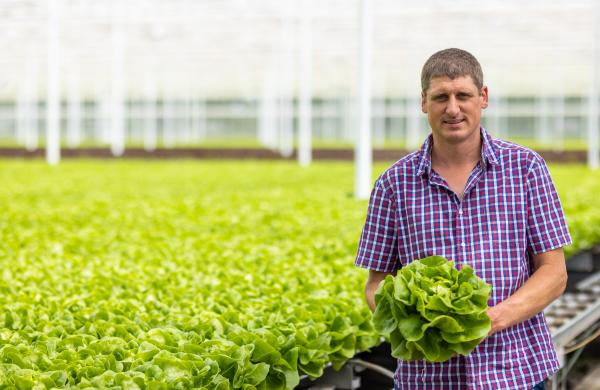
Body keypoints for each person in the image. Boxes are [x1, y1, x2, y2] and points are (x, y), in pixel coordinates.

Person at [355, 48, 571, 389]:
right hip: (427, 377)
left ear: (482, 98)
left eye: (463, 95)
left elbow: (554, 272)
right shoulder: (393, 184)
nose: (452, 108)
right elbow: (376, 282)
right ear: (424, 102)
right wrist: (416, 321)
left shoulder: (526, 168)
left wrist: (491, 319)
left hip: (514, 371)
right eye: (441, 97)